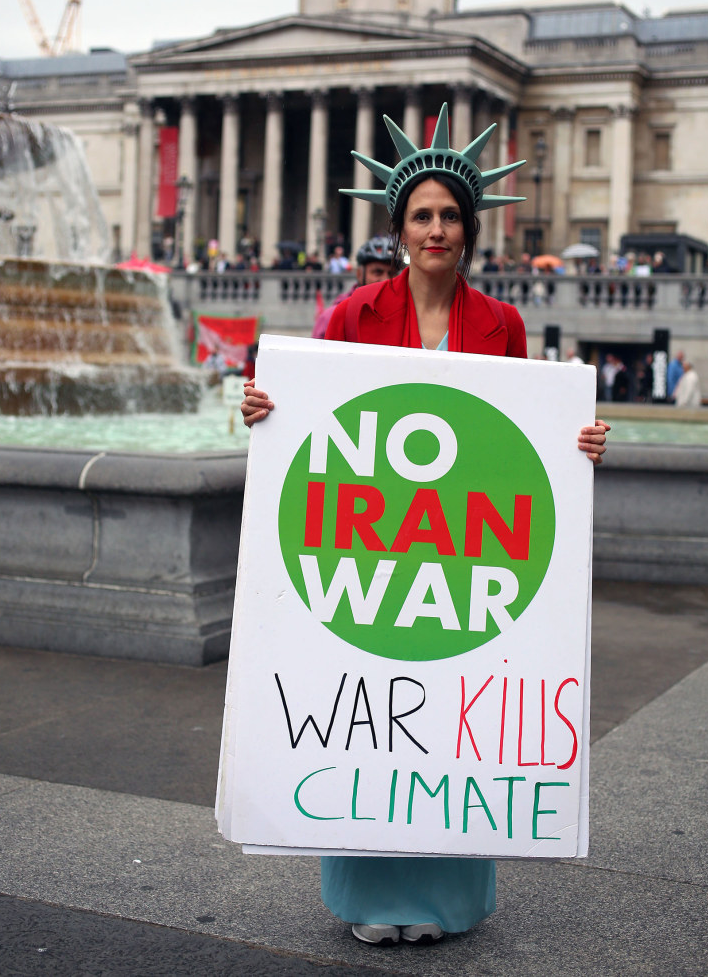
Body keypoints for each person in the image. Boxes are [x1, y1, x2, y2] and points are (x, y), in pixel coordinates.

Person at [241, 103, 609, 948]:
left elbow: (523, 442)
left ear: (470, 229)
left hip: (457, 546)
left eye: (449, 215)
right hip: (376, 545)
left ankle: (444, 899)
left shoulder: (502, 324)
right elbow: (310, 424)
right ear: (398, 228)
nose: (435, 229)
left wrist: (578, 442)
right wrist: (265, 409)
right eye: (420, 216)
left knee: (447, 702)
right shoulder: (351, 315)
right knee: (375, 689)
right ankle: (368, 893)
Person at [312, 235, 396, 338]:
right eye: (377, 272)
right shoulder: (331, 317)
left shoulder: (404, 317)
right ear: (359, 274)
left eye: (392, 273)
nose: (386, 280)